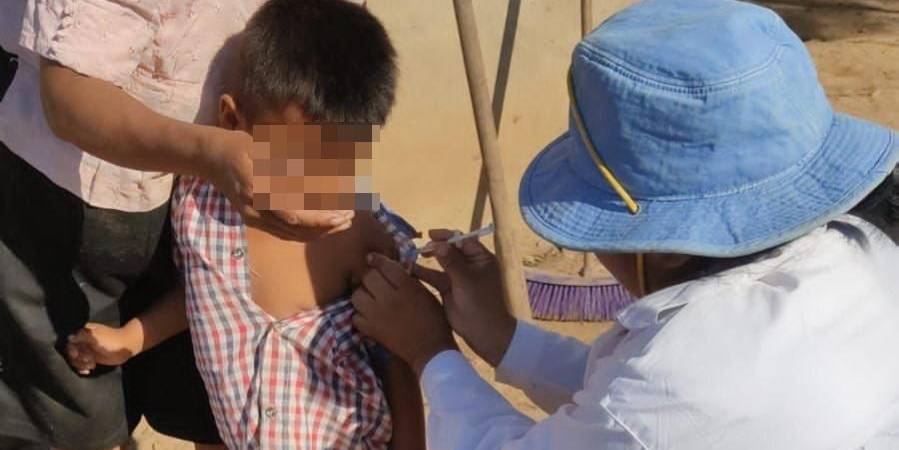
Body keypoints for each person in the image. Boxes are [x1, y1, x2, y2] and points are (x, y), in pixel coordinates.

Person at [350, 0, 899, 448]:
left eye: (602, 232)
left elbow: (636, 415)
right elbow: (626, 406)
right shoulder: (860, 252)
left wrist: (430, 353)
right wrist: (505, 338)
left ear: (664, 247)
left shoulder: (686, 381)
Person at [0, 0, 361, 448]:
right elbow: (68, 97)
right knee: (66, 418)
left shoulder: (344, 222)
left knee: (211, 404)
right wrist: (212, 155)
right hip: (75, 190)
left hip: (235, 180)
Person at [67, 1, 425, 448]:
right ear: (233, 121)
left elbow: (396, 354)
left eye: (340, 160)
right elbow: (207, 293)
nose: (318, 181)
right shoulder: (198, 207)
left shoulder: (359, 230)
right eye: (297, 158)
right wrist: (130, 338)